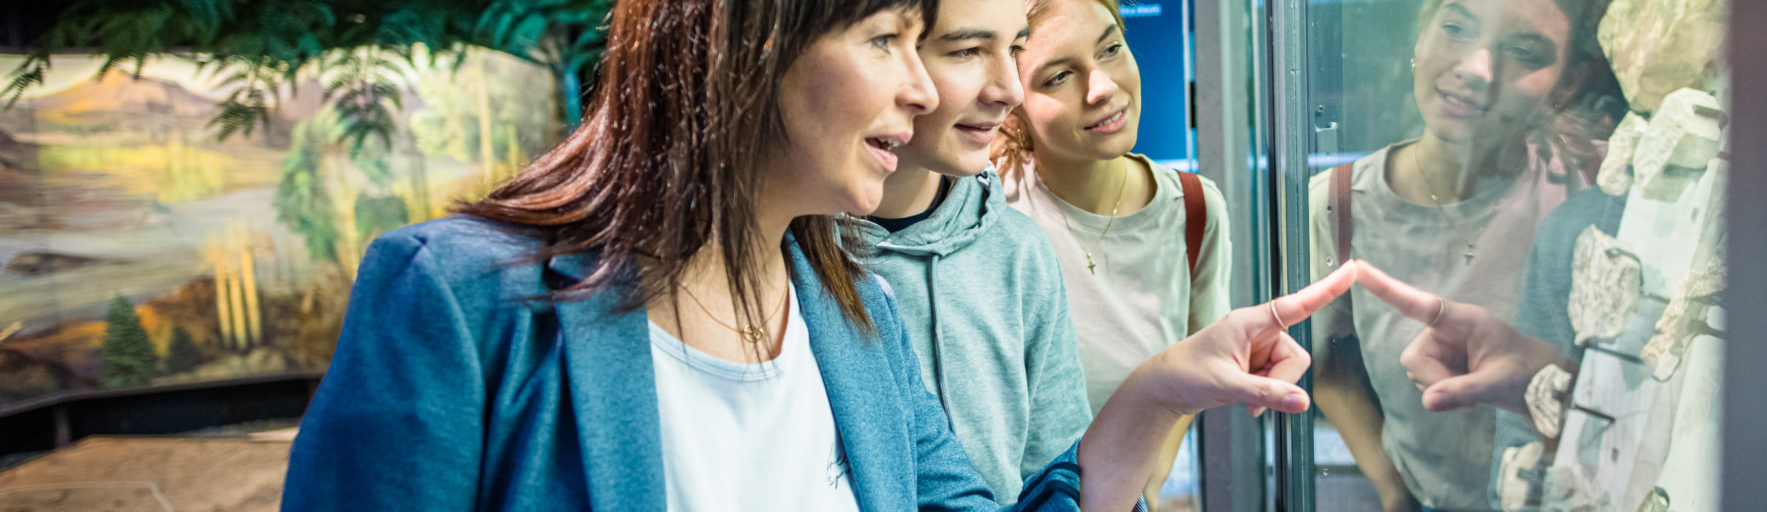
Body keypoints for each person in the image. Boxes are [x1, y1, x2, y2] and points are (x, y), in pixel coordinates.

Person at [280, 0, 1353, 510]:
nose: (928, 91)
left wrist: (1160, 390)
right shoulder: (460, 302)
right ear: (750, 40)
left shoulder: (853, 321)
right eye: (890, 41)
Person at [1304, 0, 1624, 510]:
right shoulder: (1336, 205)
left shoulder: (1599, 188)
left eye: (1523, 51)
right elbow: (1328, 368)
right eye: (1455, 27)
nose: (1477, 68)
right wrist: (1393, 489)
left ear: (1567, 82)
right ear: (1419, 36)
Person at [851, 0, 1091, 504]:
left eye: (1016, 48)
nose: (1010, 90)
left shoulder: (1019, 252)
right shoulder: (794, 264)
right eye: (965, 51)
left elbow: (1057, 476)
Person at [994, 0, 1233, 505]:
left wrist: (1143, 482)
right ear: (1010, 108)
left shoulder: (1195, 209)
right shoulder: (988, 214)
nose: (1101, 88)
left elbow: (1196, 369)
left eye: (1111, 49)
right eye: (1058, 77)